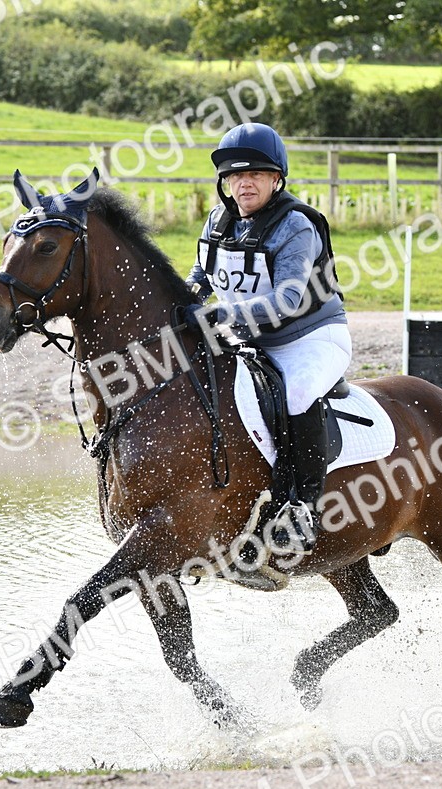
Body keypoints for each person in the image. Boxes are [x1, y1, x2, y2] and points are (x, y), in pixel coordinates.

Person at [185, 122, 350, 555]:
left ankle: (304, 508)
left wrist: (222, 314)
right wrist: (186, 298)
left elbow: (288, 299)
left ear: (277, 179)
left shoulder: (295, 225)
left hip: (310, 338)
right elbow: (201, 275)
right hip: (251, 341)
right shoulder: (218, 221)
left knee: (298, 392)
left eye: (255, 174)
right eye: (236, 175)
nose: (244, 183)